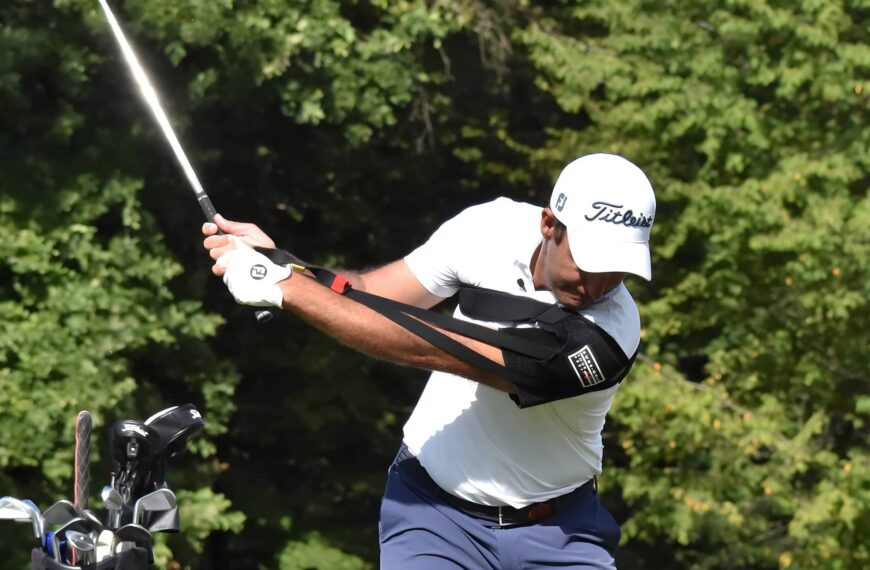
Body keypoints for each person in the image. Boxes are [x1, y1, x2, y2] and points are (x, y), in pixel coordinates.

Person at [203, 152, 656, 569]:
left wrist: (284, 288)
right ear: (549, 224)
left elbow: (435, 347)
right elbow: (371, 297)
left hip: (559, 534)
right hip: (433, 515)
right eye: (589, 261)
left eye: (617, 268)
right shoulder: (488, 229)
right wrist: (284, 265)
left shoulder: (609, 335)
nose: (597, 286)